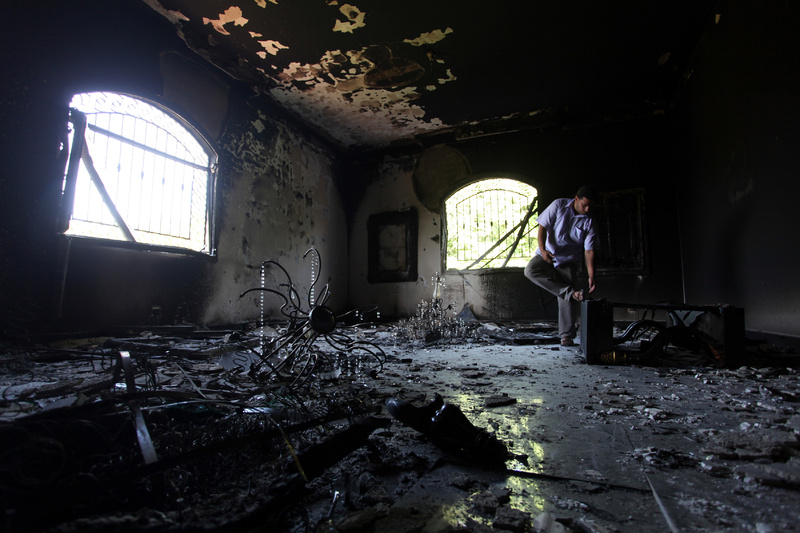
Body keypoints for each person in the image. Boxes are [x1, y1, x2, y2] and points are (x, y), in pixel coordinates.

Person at [524, 186, 598, 347]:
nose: (587, 209)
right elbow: (542, 226)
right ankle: (571, 293)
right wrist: (543, 251)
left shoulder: (589, 220)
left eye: (590, 206)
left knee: (567, 296)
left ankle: (566, 336)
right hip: (548, 253)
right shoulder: (558, 205)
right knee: (530, 270)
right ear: (576, 199)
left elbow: (589, 250)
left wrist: (592, 274)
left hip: (569, 261)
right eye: (584, 205)